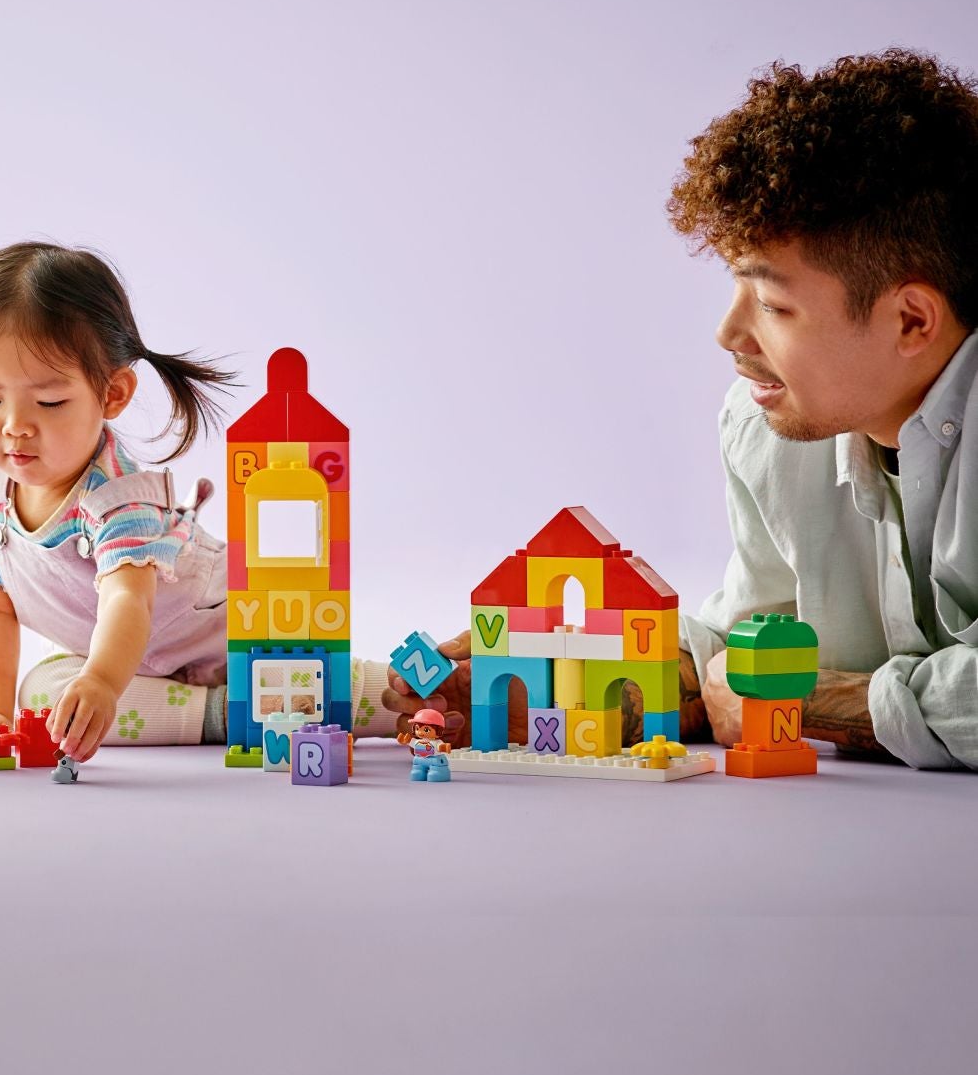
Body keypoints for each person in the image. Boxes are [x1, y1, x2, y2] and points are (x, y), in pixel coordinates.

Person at [386, 49, 978, 771]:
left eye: (771, 303)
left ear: (913, 320)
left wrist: (796, 696)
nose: (729, 335)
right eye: (736, 286)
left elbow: (754, 682)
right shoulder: (769, 431)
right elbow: (740, 654)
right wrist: (561, 678)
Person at [0, 241, 390, 761]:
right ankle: (220, 714)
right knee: (42, 699)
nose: (15, 426)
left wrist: (106, 681)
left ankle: (406, 692)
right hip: (119, 654)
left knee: (301, 670)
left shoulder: (116, 498)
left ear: (112, 394)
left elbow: (127, 599)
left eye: (49, 402)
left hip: (220, 627)